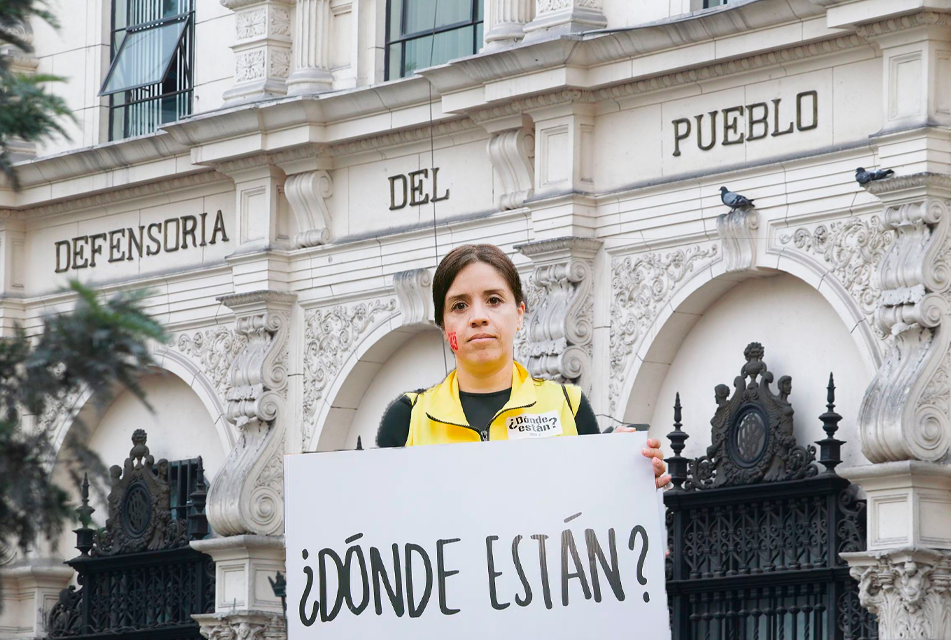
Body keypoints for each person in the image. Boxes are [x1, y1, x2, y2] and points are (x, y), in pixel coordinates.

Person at [377, 244, 670, 489]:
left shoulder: (569, 406)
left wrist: (630, 475)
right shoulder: (408, 418)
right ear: (443, 326)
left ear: (519, 315)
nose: (478, 317)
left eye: (493, 300)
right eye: (459, 306)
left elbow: (594, 511)